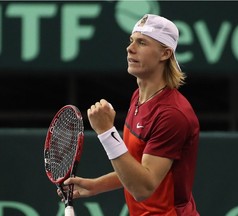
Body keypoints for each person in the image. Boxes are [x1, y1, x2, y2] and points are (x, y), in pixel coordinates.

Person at [59, 14, 200, 216]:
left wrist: (107, 132)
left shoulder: (172, 114)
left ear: (165, 53)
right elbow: (136, 168)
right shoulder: (139, 97)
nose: (130, 48)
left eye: (142, 42)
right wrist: (96, 186)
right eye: (131, 40)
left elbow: (143, 188)